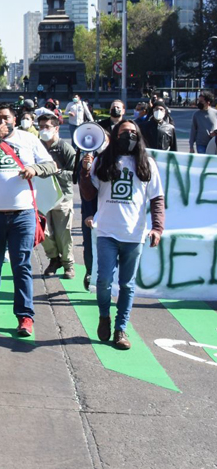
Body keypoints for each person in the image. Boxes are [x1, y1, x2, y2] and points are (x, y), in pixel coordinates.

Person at [0, 103, 57, 337]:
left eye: (6, 118)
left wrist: (35, 169)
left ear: (14, 120)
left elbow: (51, 165)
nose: (1, 122)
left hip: (23, 214)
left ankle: (25, 316)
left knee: (22, 266)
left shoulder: (29, 140)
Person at [79, 120, 165, 350]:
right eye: (124, 132)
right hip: (107, 232)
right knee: (104, 280)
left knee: (127, 285)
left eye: (132, 133)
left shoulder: (147, 163)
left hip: (134, 235)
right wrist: (85, 172)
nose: (128, 136)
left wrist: (157, 228)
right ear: (115, 136)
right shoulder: (102, 160)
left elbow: (157, 199)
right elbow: (88, 195)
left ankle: (120, 329)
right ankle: (104, 316)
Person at [38, 114, 77, 279]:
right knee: (43, 231)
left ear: (56, 128)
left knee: (63, 233)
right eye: (41, 126)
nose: (43, 130)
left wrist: (58, 172)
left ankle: (68, 264)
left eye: (47, 126)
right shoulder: (37, 146)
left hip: (62, 196)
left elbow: (75, 174)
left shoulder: (65, 148)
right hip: (41, 195)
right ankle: (54, 259)